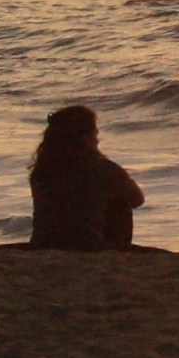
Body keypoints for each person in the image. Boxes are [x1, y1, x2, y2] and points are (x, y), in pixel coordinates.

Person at [22, 106, 145, 250]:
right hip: (88, 246)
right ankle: (118, 249)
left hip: (43, 244)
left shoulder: (41, 170)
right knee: (120, 206)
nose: (98, 140)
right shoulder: (102, 168)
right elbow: (137, 199)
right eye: (95, 133)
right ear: (86, 137)